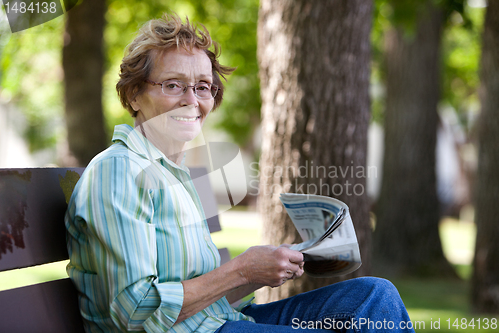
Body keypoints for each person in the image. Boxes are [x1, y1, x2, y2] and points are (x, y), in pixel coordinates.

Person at [65, 14, 415, 333]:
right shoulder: (118, 172)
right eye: (173, 85)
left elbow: (208, 293)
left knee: (374, 298)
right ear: (134, 95)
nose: (192, 100)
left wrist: (268, 267)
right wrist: (242, 269)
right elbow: (135, 313)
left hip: (218, 321)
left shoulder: (180, 174)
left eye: (203, 86)